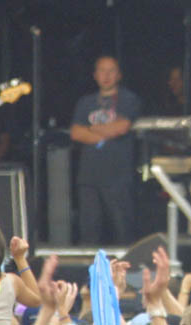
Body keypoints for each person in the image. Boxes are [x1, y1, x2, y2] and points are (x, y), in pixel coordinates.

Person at [70, 55, 141, 244]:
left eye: (111, 71)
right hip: (89, 178)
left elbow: (122, 127)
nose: (106, 75)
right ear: (95, 75)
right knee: (89, 231)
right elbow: (76, 133)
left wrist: (92, 129)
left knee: (123, 230)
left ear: (119, 75)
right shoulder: (85, 102)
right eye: (102, 71)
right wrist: (106, 132)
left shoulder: (129, 99)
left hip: (118, 177)